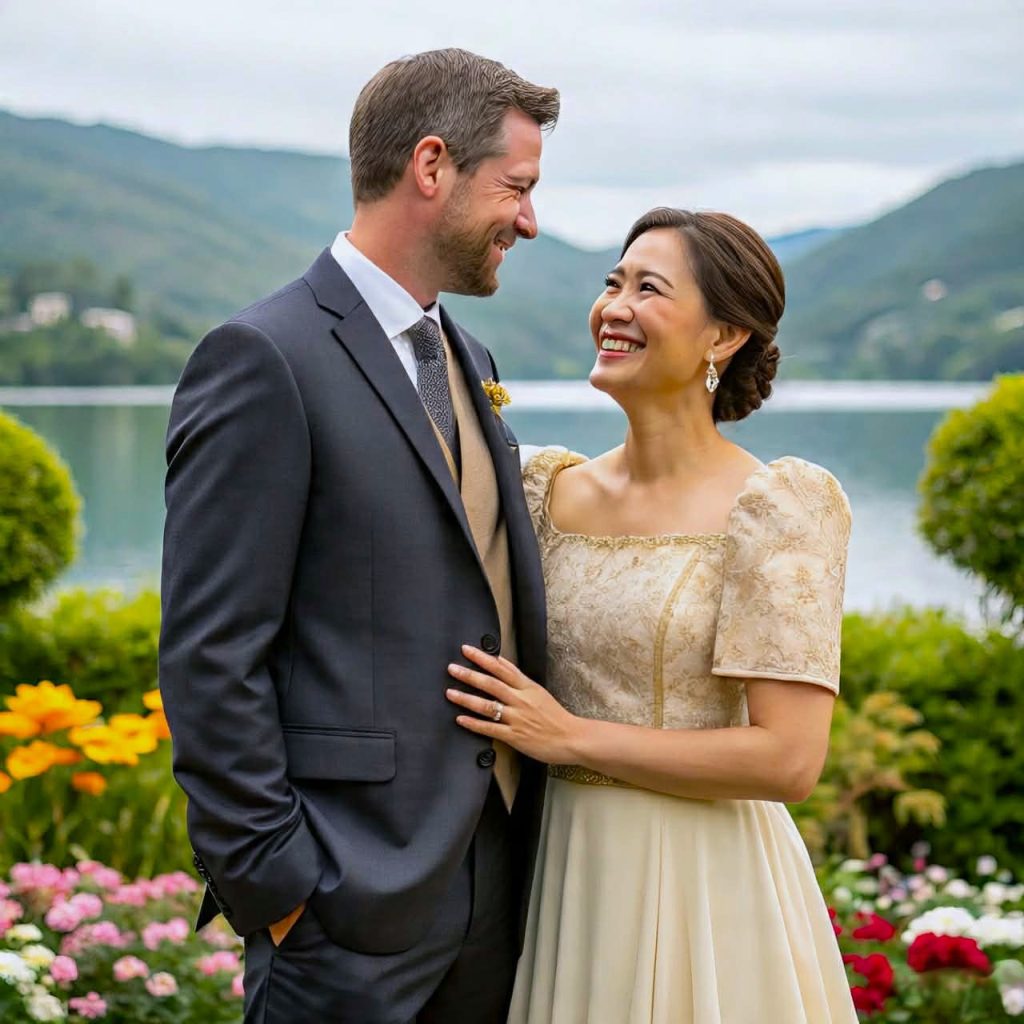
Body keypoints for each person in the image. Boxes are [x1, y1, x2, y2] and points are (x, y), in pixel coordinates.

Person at [158, 49, 559, 1024]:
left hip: (493, 891)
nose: (530, 220)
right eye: (515, 188)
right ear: (431, 167)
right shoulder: (263, 358)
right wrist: (280, 889)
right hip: (341, 911)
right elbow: (211, 653)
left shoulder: (469, 355)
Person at [445, 207, 859, 1022]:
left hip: (705, 881)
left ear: (724, 336)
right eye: (613, 283)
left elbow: (789, 760)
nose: (616, 306)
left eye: (649, 288)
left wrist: (569, 737)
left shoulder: (778, 508)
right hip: (554, 867)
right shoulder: (541, 491)